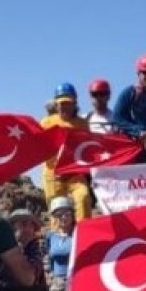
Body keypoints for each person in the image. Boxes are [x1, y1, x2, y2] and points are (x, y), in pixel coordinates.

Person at [40, 83, 93, 219]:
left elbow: (88, 149)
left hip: (74, 172)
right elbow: (38, 148)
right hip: (53, 174)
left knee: (83, 196)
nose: (64, 107)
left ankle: (84, 234)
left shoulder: (83, 124)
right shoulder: (46, 123)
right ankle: (59, 239)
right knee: (57, 209)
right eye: (61, 103)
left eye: (68, 103)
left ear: (75, 103)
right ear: (56, 104)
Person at [112, 53, 146, 138]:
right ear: (138, 73)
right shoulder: (129, 93)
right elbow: (117, 118)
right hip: (135, 142)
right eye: (145, 73)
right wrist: (137, 131)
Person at [44, 197, 76, 291]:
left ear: (72, 215)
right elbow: (47, 257)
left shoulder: (79, 235)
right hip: (57, 283)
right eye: (59, 214)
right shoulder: (51, 236)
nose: (63, 217)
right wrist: (50, 276)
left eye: (67, 214)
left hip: (75, 282)